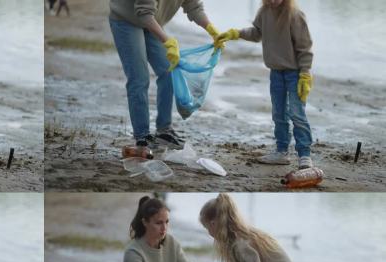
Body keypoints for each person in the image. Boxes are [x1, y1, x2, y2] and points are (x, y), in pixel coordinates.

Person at [109, 0, 223, 150]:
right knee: (139, 78)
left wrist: (213, 30)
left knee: (169, 71)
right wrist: (167, 41)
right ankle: (142, 135)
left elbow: (194, 7)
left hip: (151, 21)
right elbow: (144, 12)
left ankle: (164, 130)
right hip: (127, 20)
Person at [216, 0, 314, 169]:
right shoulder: (264, 12)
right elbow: (256, 33)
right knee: (278, 114)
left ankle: (304, 155)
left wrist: (305, 73)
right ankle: (281, 151)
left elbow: (305, 47)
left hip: (295, 74)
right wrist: (236, 33)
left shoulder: (295, 15)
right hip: (275, 72)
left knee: (297, 113)